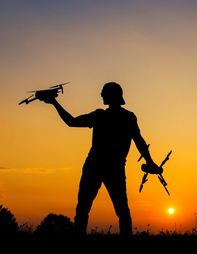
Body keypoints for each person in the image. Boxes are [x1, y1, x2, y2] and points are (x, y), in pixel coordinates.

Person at [42, 82, 159, 236]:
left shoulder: (101, 116)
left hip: (97, 166)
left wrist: (54, 102)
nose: (101, 95)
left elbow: (72, 122)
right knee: (120, 211)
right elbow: (139, 141)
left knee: (85, 209)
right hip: (110, 168)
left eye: (103, 92)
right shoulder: (127, 117)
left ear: (111, 96)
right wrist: (149, 162)